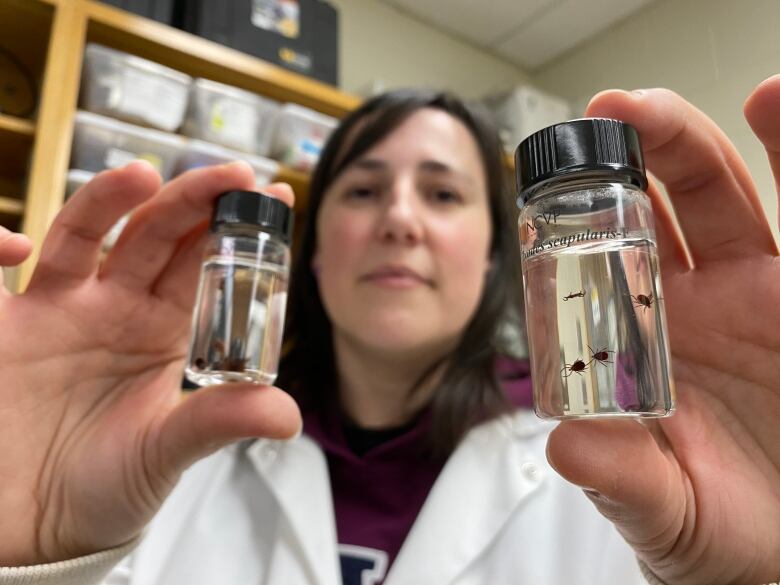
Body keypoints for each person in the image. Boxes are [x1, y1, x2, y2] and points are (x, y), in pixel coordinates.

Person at [0, 78, 778, 585]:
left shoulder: (628, 475)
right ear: (308, 255)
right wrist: (36, 553)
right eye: (365, 188)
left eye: (442, 193)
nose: (400, 219)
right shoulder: (166, 462)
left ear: (495, 258)